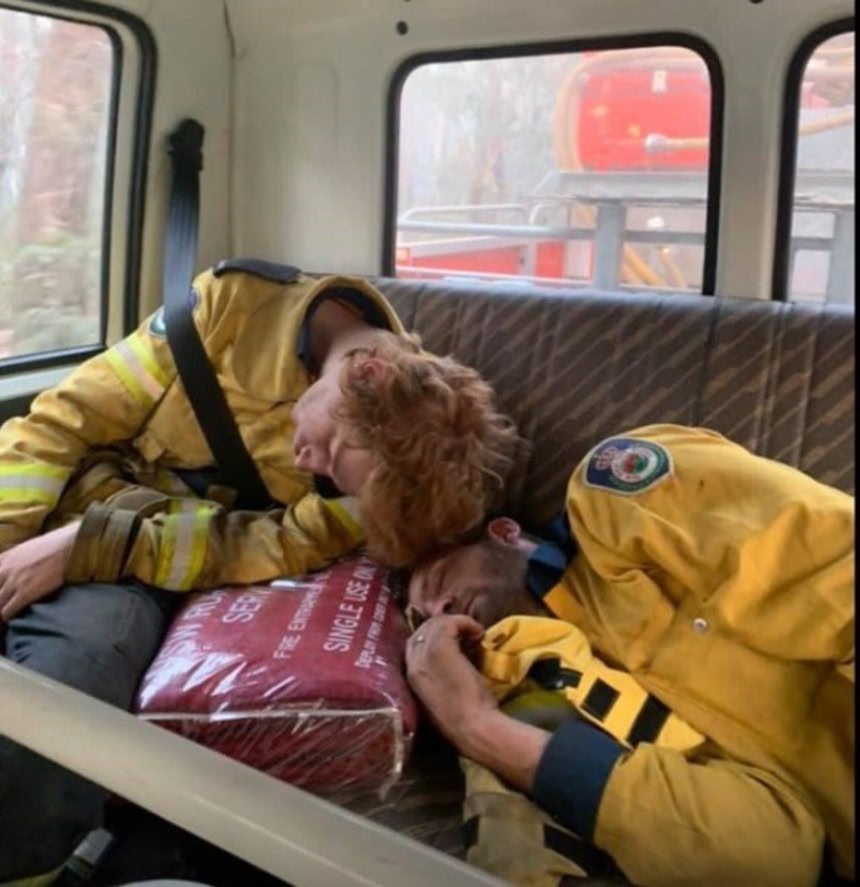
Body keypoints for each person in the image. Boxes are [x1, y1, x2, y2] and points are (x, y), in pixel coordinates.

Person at [0, 259, 518, 884]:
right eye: (332, 447)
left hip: (132, 554)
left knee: (67, 686)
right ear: (368, 373)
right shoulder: (228, 307)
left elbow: (263, 544)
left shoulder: (377, 490)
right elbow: (65, 419)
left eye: (332, 471)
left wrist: (92, 544)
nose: (307, 463)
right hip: (41, 497)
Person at [404, 423, 854, 887]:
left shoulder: (609, 502)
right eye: (424, 621)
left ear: (503, 531)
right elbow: (771, 860)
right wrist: (478, 726)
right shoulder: (551, 704)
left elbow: (839, 562)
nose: (441, 611)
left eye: (439, 581)